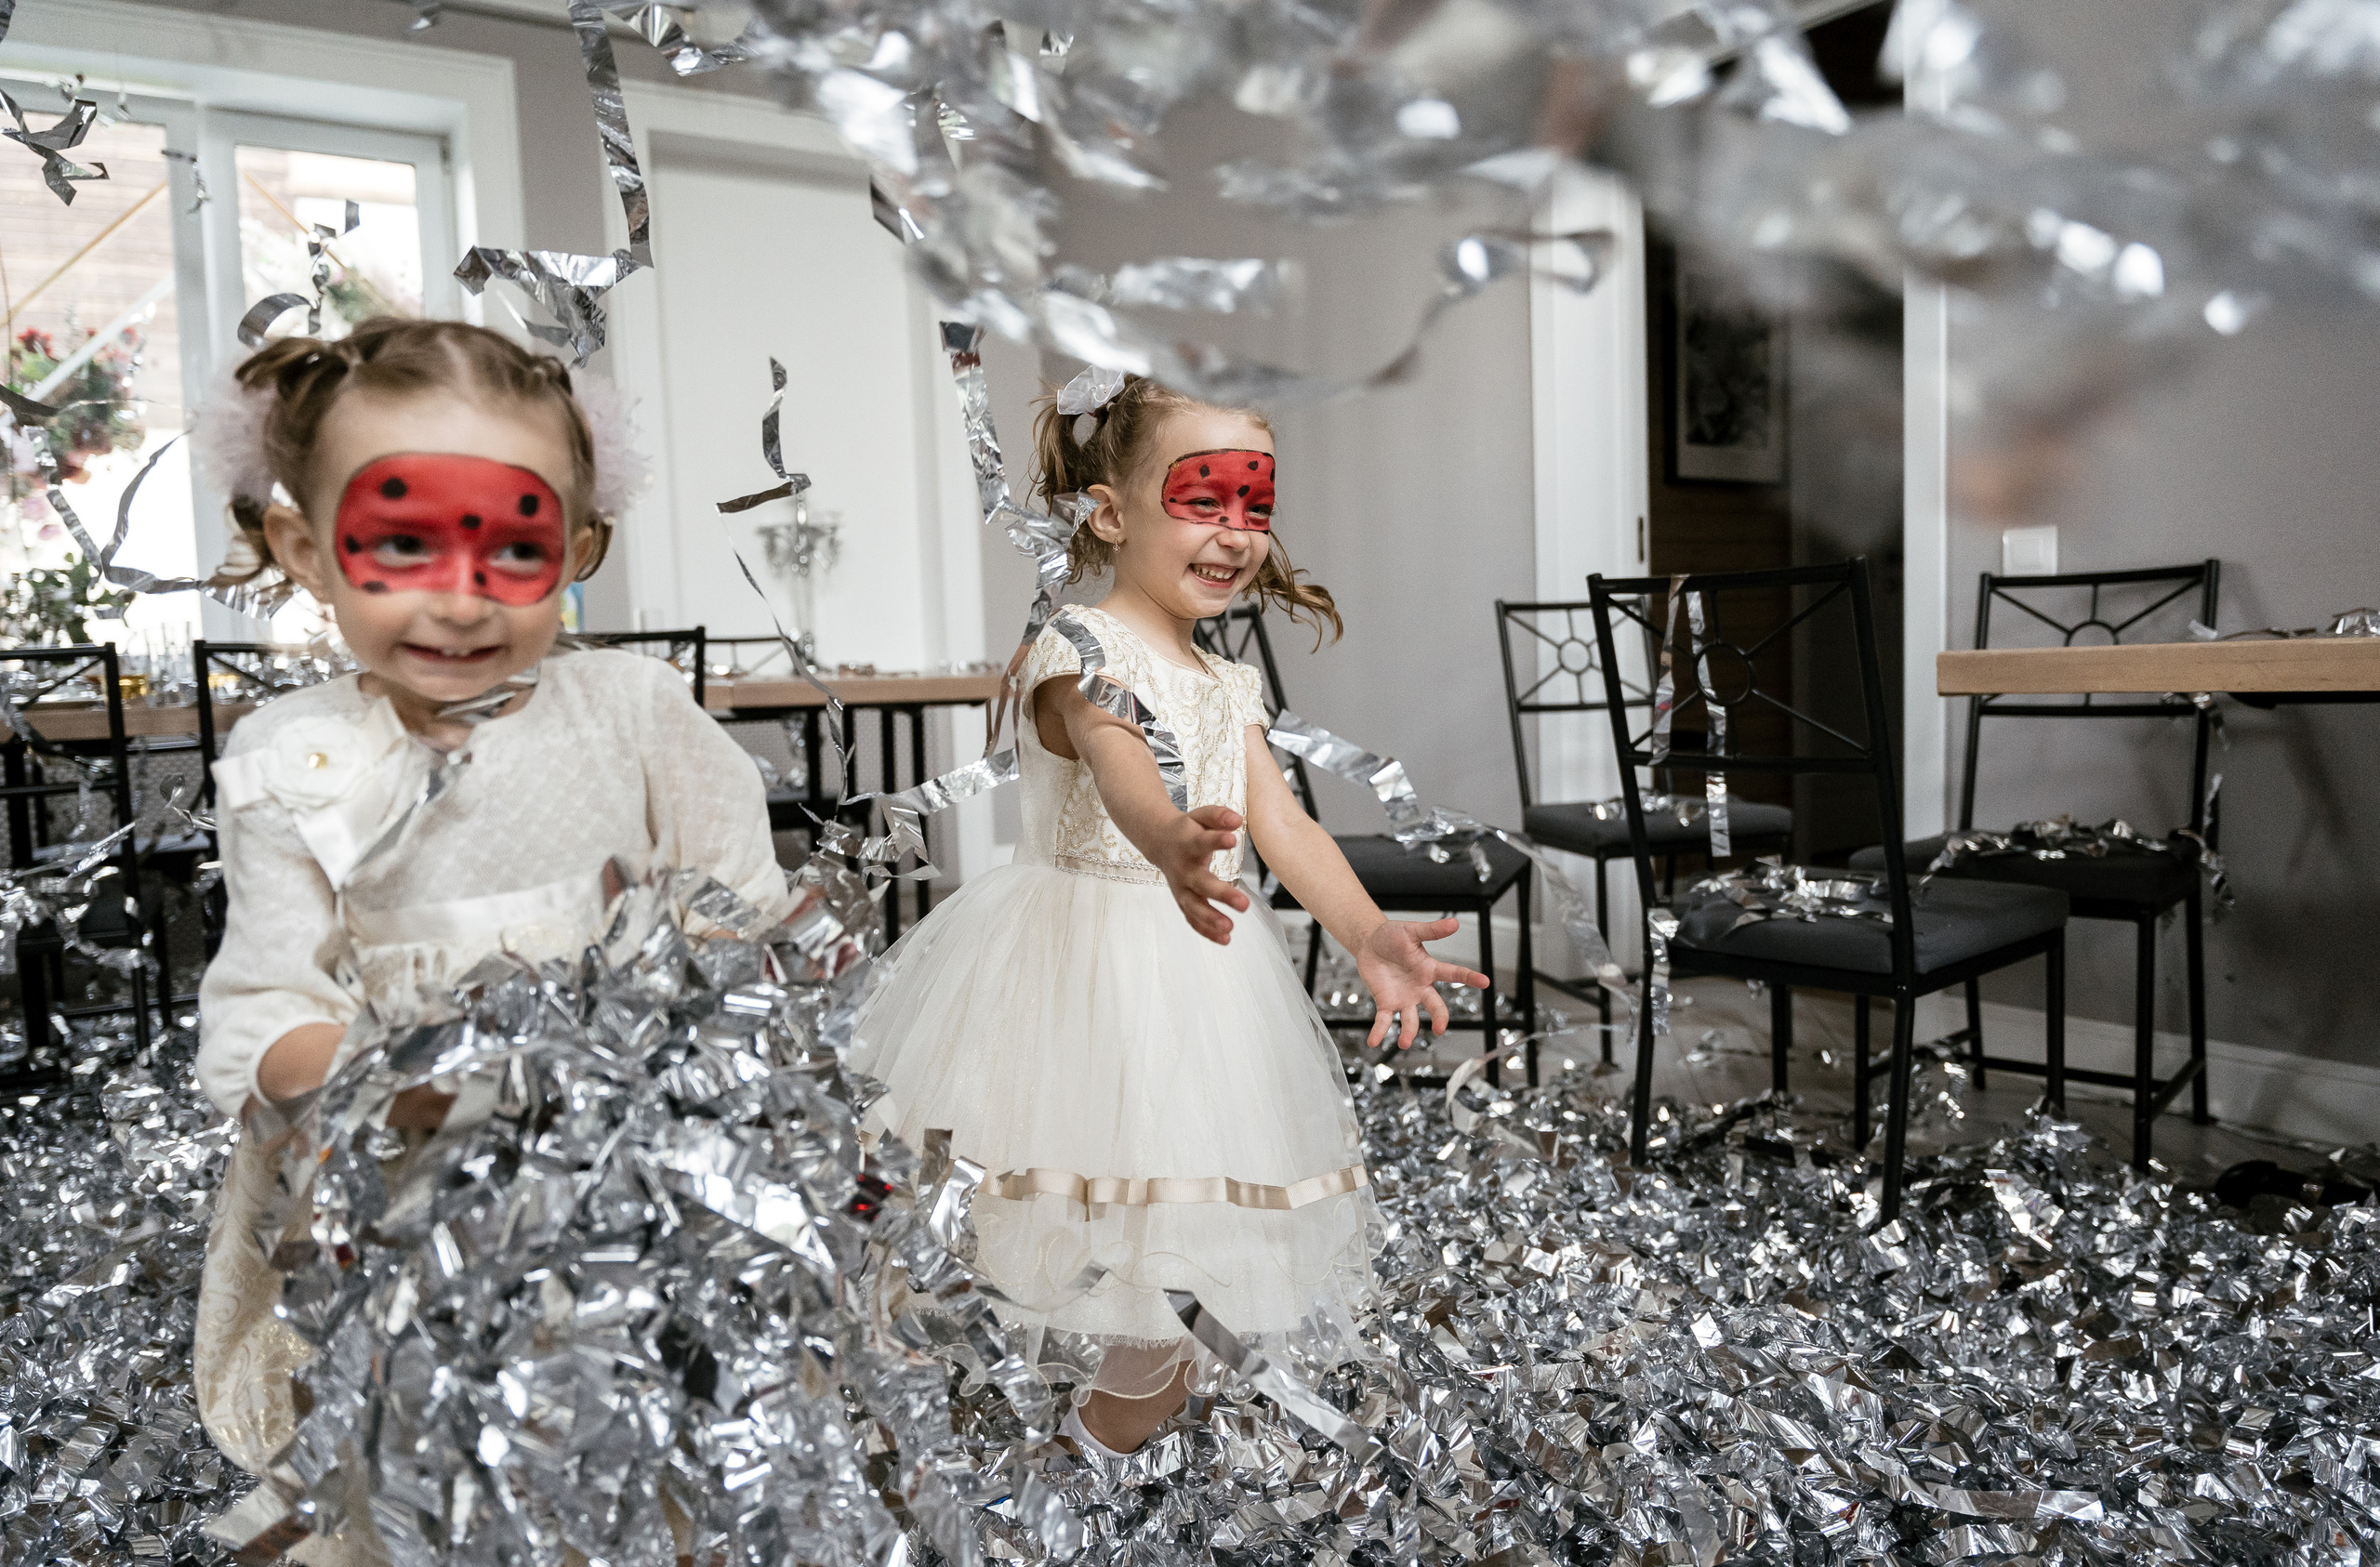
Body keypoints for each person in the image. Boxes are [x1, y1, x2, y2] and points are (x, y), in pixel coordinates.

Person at [186, 319, 787, 1564]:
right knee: (437, 1479)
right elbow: (264, 1005)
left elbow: (743, 914)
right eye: (400, 544)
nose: (455, 600)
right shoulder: (291, 757)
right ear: (306, 546)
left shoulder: (633, 712)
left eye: (511, 549)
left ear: (576, 548)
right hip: (408, 1203)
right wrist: (413, 1084)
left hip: (631, 1178)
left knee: (641, 1457)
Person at [846, 373, 1488, 1459]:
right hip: (1069, 980)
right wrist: (1167, 839)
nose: (1236, 532)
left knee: (1187, 1288)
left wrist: (1367, 930)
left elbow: (1284, 826)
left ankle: (1081, 1472)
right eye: (1204, 498)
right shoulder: (1078, 648)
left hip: (1199, 984)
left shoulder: (1226, 681)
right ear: (1109, 512)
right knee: (1035, 1250)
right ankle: (982, 1463)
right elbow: (1117, 757)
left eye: (1255, 503)